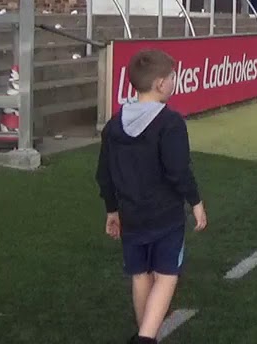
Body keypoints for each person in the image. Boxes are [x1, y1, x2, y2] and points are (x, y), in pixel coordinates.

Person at [96, 48, 207, 344]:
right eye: (172, 78)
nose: (174, 82)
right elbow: (178, 171)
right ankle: (145, 338)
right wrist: (196, 202)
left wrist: (112, 211)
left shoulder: (113, 125)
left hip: (131, 216)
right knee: (167, 275)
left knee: (140, 275)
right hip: (165, 215)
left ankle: (147, 336)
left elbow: (104, 174)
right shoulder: (170, 123)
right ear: (160, 84)